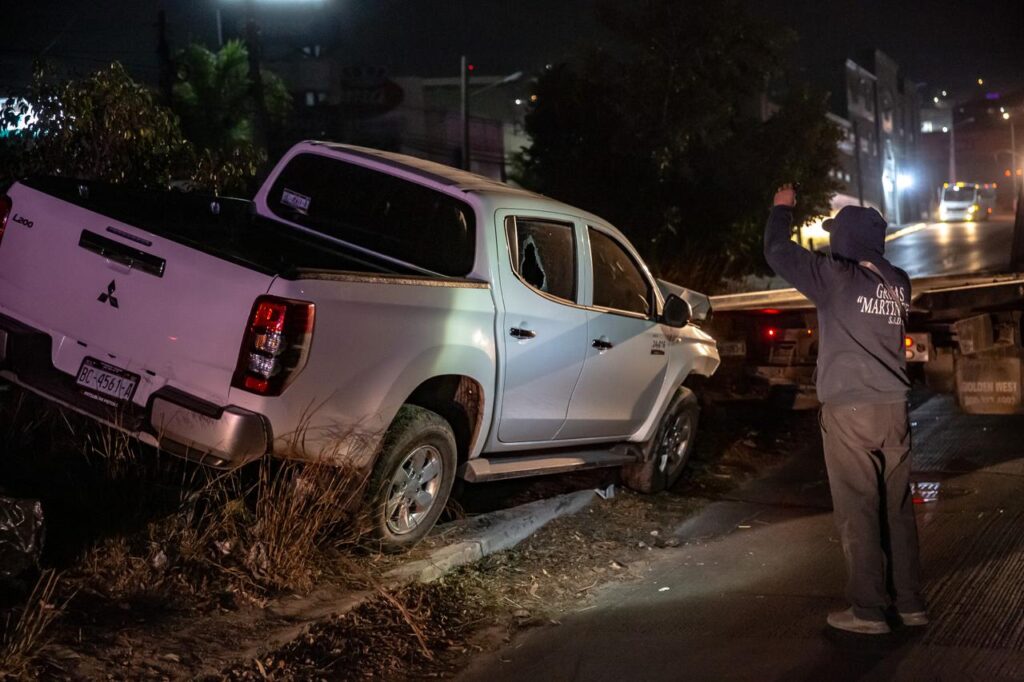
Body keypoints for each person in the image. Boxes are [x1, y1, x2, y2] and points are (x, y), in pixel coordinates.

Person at [764, 184, 927, 635]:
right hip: (893, 409)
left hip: (852, 412)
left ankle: (869, 611)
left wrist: (782, 210)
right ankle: (911, 604)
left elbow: (778, 251)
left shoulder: (836, 279)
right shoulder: (898, 282)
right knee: (896, 510)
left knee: (858, 509)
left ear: (846, 241)